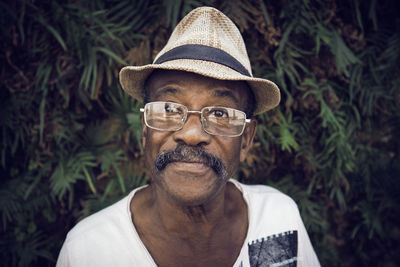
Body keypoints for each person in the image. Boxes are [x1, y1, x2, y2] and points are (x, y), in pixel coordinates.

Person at [56, 6, 320, 267]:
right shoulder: (90, 251)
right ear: (146, 129)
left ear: (247, 138)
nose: (192, 134)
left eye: (219, 113)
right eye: (169, 109)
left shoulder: (278, 219)